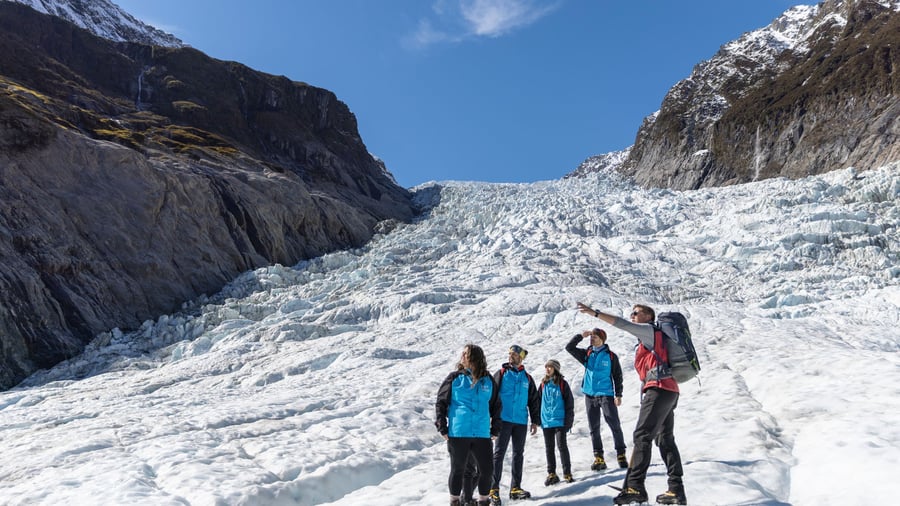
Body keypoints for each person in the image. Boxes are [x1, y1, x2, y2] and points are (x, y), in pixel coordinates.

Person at [577, 302, 687, 506]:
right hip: (669, 391)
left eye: (636, 313)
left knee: (642, 435)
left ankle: (635, 487)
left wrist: (595, 313)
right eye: (632, 313)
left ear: (648, 316)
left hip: (659, 388)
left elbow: (622, 324)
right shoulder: (652, 339)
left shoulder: (649, 331)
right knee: (665, 440)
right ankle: (676, 489)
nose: (632, 316)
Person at [436, 344, 503, 506]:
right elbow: (441, 403)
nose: (462, 356)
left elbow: (496, 406)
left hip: (481, 433)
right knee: (458, 470)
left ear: (475, 357)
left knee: (487, 471)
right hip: (459, 433)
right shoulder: (454, 378)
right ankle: (455, 502)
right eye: (463, 353)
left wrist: (495, 428)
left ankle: (483, 501)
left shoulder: (488, 380)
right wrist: (442, 426)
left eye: (466, 354)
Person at [565, 327, 628, 471]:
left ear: (602, 339)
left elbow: (617, 376)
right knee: (594, 427)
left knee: (614, 423)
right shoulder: (587, 354)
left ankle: (621, 454)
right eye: (591, 337)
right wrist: (580, 336)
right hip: (590, 395)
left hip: (606, 394)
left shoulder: (610, 356)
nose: (592, 339)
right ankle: (599, 458)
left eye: (595, 337)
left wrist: (618, 394)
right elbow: (569, 348)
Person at [487, 344, 540, 505]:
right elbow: (492, 395)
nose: (511, 356)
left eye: (515, 354)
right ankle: (493, 489)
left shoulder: (527, 378)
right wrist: (491, 417)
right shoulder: (502, 374)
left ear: (521, 357)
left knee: (518, 454)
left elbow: (533, 400)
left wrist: (535, 421)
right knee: (499, 454)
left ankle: (515, 488)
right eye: (510, 353)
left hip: (520, 421)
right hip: (503, 420)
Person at [538, 359, 575, 486]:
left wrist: (568, 421)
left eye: (550, 367)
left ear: (556, 369)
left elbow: (569, 403)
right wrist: (537, 419)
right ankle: (552, 473)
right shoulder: (543, 384)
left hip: (560, 421)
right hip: (546, 421)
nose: (547, 369)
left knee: (562, 446)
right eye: (546, 367)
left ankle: (567, 472)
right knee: (549, 448)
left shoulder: (562, 384)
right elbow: (537, 402)